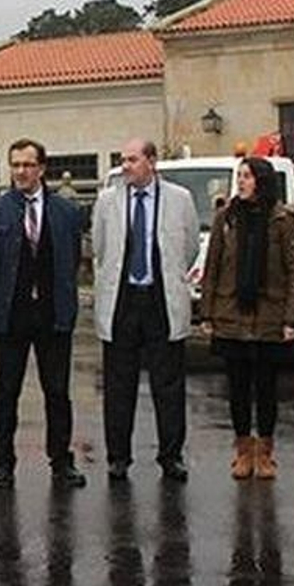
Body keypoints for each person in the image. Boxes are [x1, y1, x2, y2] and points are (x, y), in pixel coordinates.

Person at [0, 138, 86, 490]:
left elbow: (70, 260)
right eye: (15, 165)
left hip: (53, 315)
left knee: (57, 391)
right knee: (5, 391)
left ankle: (61, 461)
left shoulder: (67, 212)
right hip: (11, 317)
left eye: (27, 165)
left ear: (42, 168)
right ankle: (2, 463)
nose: (21, 171)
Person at [93, 138, 202, 482]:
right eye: (123, 159)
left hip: (160, 298)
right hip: (123, 300)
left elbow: (189, 247)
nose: (126, 166)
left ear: (151, 162)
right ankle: (118, 457)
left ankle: (171, 456)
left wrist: (166, 276)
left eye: (133, 159)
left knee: (168, 384)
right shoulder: (108, 201)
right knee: (118, 384)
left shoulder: (179, 199)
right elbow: (100, 247)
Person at [196, 157, 294, 480]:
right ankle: (243, 450)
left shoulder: (282, 220)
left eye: (247, 176)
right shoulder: (225, 218)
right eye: (239, 176)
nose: (241, 182)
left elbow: (293, 270)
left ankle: (265, 452)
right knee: (238, 387)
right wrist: (208, 311)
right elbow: (212, 265)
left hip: (269, 314)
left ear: (262, 181)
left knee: (267, 388)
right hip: (232, 314)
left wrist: (291, 318)